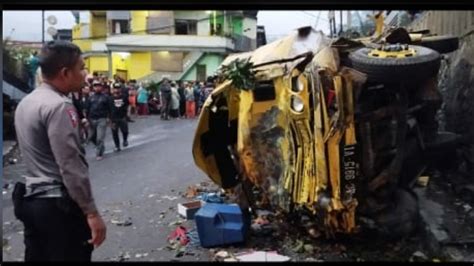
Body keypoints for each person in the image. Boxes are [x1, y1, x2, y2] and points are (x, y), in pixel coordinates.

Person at [13, 40, 106, 261]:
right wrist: (91, 213)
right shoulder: (59, 106)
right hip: (58, 208)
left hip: (31, 201)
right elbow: (70, 166)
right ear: (65, 72)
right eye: (82, 68)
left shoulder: (27, 102)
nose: (85, 74)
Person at [84, 80, 112, 161]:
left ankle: (99, 153)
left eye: (99, 86)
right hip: (92, 119)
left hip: (102, 119)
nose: (97, 87)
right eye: (95, 86)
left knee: (100, 137)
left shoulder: (106, 97)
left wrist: (109, 119)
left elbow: (110, 109)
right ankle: (101, 147)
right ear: (93, 87)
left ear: (101, 87)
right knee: (91, 137)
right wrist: (86, 120)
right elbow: (87, 109)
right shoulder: (90, 98)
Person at [110, 83, 129, 152]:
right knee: (115, 133)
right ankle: (117, 146)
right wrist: (109, 119)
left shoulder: (124, 97)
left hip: (122, 117)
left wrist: (127, 114)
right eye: (115, 88)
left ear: (120, 89)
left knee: (125, 131)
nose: (116, 90)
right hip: (113, 118)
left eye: (118, 88)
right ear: (113, 89)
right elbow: (108, 109)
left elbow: (127, 105)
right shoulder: (110, 98)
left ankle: (125, 140)